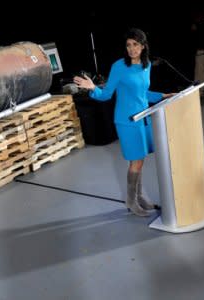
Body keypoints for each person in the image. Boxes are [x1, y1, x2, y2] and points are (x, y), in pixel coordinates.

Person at [73, 28, 175, 217]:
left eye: (135, 44)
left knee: (140, 160)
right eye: (128, 45)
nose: (131, 49)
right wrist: (93, 88)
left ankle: (139, 196)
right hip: (127, 121)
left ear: (143, 46)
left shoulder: (147, 66)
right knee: (135, 161)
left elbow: (143, 93)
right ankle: (131, 201)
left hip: (143, 118)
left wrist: (163, 95)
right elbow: (106, 95)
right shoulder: (119, 66)